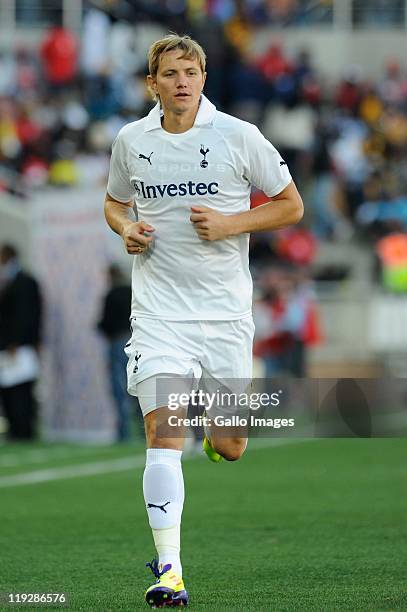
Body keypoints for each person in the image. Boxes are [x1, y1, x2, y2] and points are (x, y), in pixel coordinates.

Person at [104, 34, 303, 608]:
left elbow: (291, 205)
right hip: (160, 315)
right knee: (163, 437)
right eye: (170, 73)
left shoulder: (238, 136)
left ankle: (217, 437)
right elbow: (114, 202)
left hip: (223, 318)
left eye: (190, 71)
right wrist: (126, 228)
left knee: (233, 443)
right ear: (153, 84)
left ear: (204, 78)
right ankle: (170, 572)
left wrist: (231, 223)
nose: (182, 82)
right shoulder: (131, 141)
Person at [0, 244, 42, 440]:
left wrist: (17, 340)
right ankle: (15, 429)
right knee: (8, 390)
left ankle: (25, 429)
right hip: (6, 347)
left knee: (22, 390)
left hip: (20, 346)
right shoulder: (6, 282)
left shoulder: (25, 282)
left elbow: (28, 315)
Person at [97, 264, 133, 441]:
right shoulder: (132, 291)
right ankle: (144, 431)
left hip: (117, 342)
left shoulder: (111, 295)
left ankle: (123, 432)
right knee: (138, 387)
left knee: (118, 389)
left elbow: (104, 323)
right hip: (135, 341)